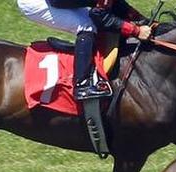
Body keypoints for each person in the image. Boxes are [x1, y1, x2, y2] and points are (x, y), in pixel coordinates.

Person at [16, 0, 152, 100]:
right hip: (35, 3)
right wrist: (136, 30)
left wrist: (142, 20)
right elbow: (100, 15)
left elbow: (116, 4)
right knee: (87, 25)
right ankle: (82, 85)